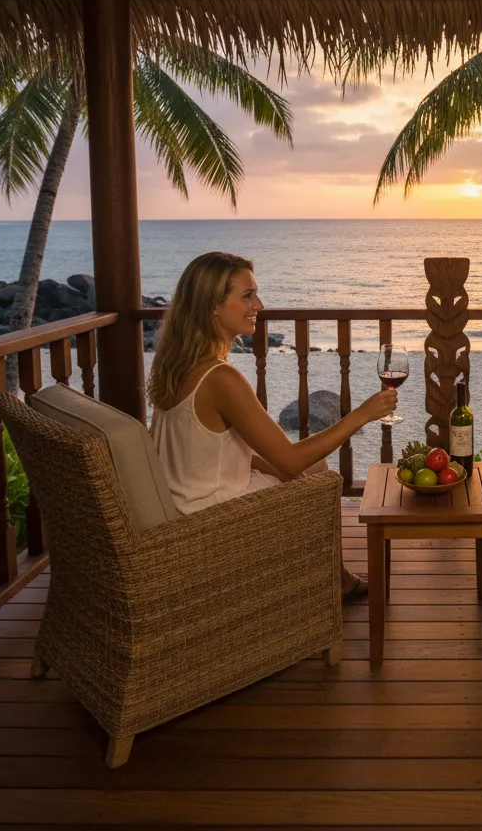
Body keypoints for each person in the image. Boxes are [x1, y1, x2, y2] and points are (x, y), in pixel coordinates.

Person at [147, 251, 398, 601]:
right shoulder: (221, 379)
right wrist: (362, 414)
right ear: (213, 306)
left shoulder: (174, 365)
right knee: (316, 476)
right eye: (247, 296)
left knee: (314, 467)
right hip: (212, 518)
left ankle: (335, 577)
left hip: (183, 501)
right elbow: (291, 460)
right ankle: (324, 585)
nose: (259, 304)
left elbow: (212, 451)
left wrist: (286, 469)